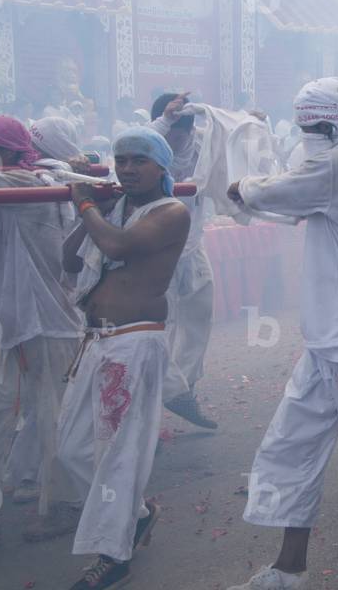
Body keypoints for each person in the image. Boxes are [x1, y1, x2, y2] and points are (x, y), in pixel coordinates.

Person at [224, 78, 338, 590]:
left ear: (335, 124)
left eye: (314, 126)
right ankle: (288, 568)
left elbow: (266, 192)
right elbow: (291, 201)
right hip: (329, 341)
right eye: (304, 126)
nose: (309, 134)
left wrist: (242, 187)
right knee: (289, 448)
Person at [51, 127, 190, 589]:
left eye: (138, 160)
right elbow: (70, 262)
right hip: (96, 340)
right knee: (72, 449)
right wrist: (90, 210)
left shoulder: (171, 211)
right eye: (121, 159)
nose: (127, 168)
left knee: (117, 453)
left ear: (161, 167)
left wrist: (88, 205)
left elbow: (119, 247)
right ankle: (139, 511)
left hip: (134, 343)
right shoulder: (117, 209)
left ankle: (114, 554)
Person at [0, 117, 82, 548]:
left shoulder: (30, 183)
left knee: (56, 423)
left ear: (7, 151)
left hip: (52, 324)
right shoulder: (4, 194)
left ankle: (66, 506)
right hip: (14, 326)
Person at [148, 93, 218, 429]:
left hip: (192, 244)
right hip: (155, 248)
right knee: (159, 325)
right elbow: (138, 143)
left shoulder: (199, 144)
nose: (181, 140)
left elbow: (228, 132)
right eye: (173, 134)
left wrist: (249, 120)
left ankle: (182, 389)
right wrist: (164, 120)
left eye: (184, 134)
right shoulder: (146, 151)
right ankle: (165, 394)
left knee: (200, 314)